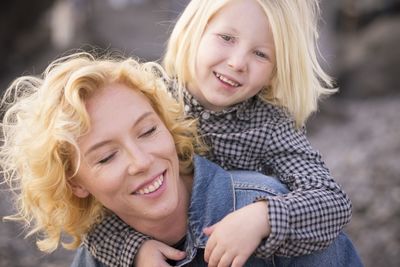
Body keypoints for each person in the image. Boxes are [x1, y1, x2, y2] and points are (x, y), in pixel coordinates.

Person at [0, 52, 362, 267]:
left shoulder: (265, 206)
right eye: (107, 156)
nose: (141, 161)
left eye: (147, 132)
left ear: (168, 126)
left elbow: (332, 205)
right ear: (75, 183)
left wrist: (265, 219)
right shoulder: (99, 253)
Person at [82, 0, 360, 266]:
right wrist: (133, 249)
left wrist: (262, 218)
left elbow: (332, 201)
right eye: (227, 38)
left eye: (261, 54)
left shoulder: (269, 126)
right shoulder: (151, 99)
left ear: (275, 70)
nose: (238, 62)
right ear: (196, 29)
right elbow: (89, 195)